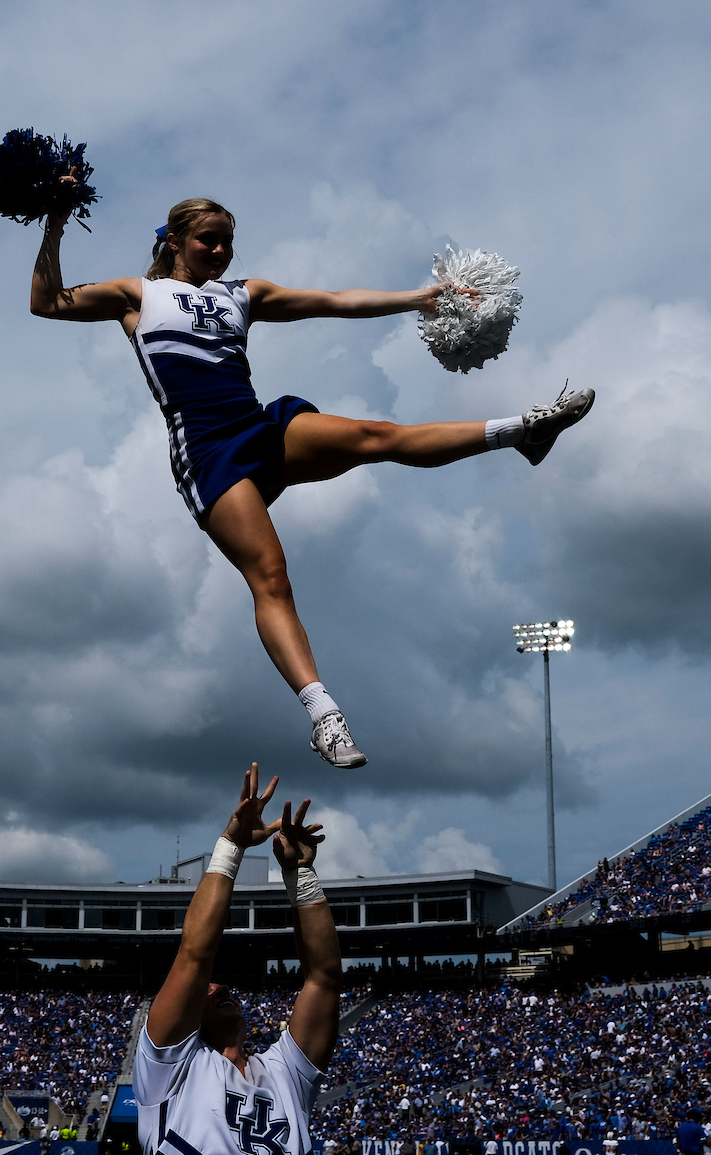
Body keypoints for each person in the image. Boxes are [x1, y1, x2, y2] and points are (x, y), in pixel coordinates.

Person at [31, 197, 595, 769]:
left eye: (229, 241)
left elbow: (335, 301)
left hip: (258, 425)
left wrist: (422, 298)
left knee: (378, 435)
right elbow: (46, 302)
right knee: (270, 576)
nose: (223, 252)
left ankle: (522, 433)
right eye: (210, 241)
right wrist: (55, 221)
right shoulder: (136, 296)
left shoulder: (243, 295)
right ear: (174, 240)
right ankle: (324, 716)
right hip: (206, 452)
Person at [133, 763, 340, 1155]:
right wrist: (231, 846)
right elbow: (195, 954)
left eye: (220, 985)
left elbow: (322, 979)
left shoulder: (287, 1074)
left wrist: (301, 876)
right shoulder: (169, 1069)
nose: (219, 986)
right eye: (208, 989)